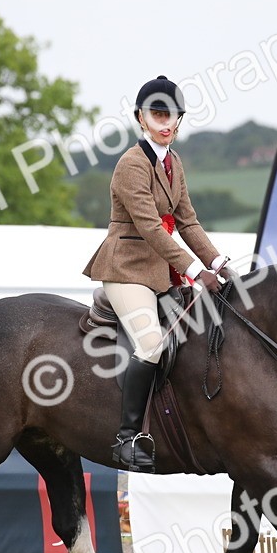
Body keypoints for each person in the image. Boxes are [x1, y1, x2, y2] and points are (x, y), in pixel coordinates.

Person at [83, 75, 233, 473]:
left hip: (161, 270)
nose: (167, 123)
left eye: (174, 116)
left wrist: (219, 264)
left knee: (199, 332)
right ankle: (127, 438)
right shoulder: (131, 164)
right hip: (125, 268)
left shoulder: (174, 163)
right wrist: (195, 270)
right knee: (151, 344)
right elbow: (151, 227)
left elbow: (188, 222)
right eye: (159, 115)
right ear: (141, 118)